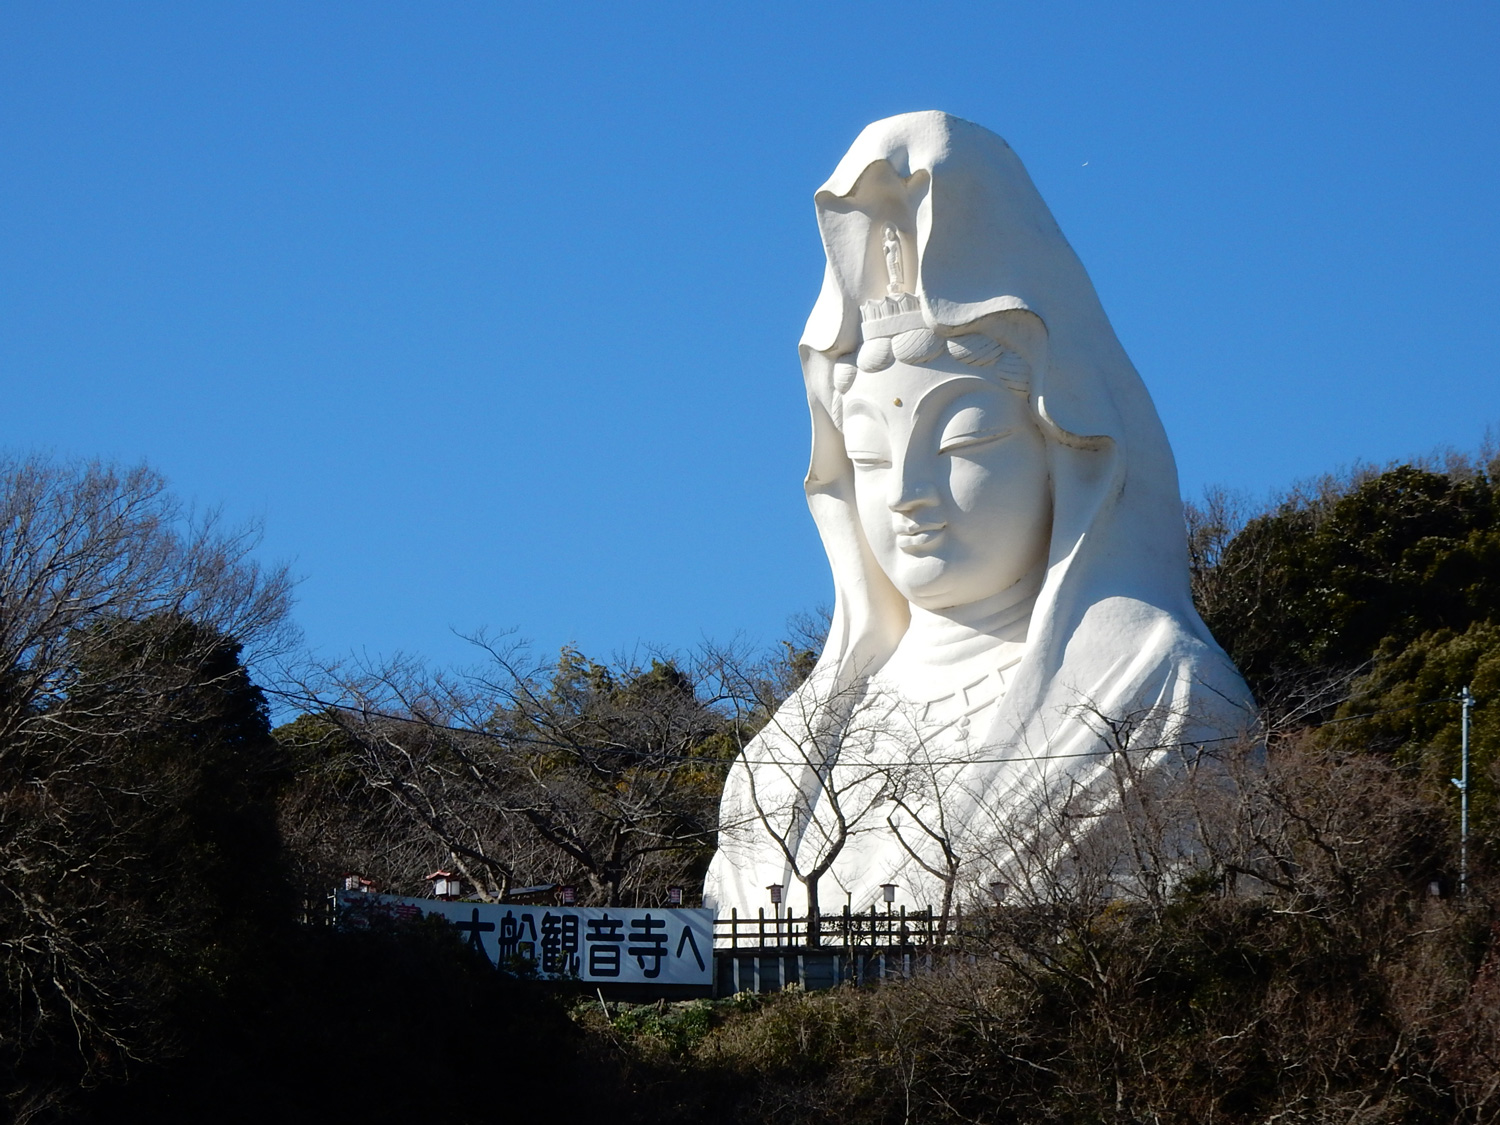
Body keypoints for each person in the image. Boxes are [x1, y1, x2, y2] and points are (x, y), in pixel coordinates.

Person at [704, 112, 1254, 929]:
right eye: (873, 457)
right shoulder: (776, 767)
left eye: (962, 436)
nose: (908, 493)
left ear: (1064, 443)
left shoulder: (1160, 697)